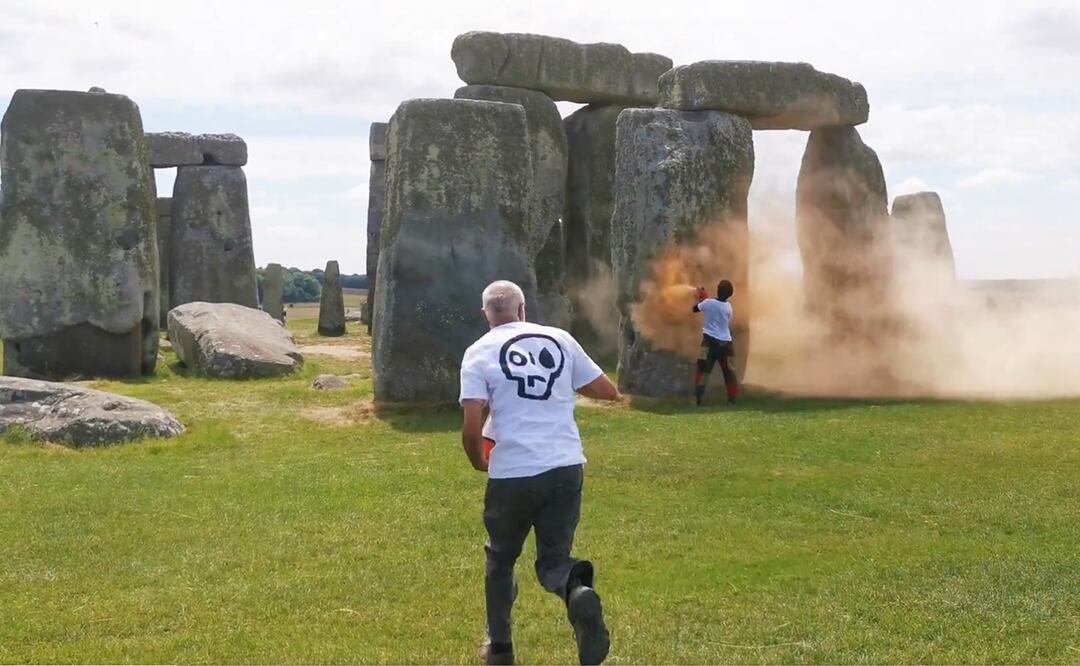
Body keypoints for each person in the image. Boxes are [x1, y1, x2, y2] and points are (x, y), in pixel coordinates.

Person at [459, 280, 622, 666]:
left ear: (486, 315)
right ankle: (576, 589)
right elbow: (606, 390)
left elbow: (471, 425)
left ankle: (500, 649)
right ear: (523, 310)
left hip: (513, 471)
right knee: (552, 561)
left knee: (501, 557)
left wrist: (478, 460)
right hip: (565, 466)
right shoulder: (559, 339)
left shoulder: (478, 352)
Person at [692, 279, 739, 406]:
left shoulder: (708, 303)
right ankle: (732, 401)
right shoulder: (728, 307)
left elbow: (695, 309)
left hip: (708, 342)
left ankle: (698, 400)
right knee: (730, 373)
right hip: (726, 344)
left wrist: (701, 299)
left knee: (702, 371)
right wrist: (705, 299)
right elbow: (716, 307)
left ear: (718, 290)